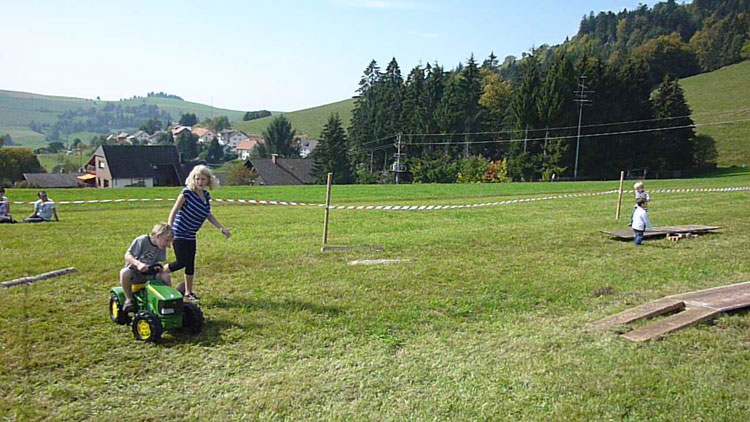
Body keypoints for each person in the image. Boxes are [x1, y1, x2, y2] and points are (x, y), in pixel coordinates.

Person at [167, 165, 231, 301]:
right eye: (197, 179)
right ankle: (160, 271)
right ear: (193, 179)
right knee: (181, 262)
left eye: (203, 179)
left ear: (208, 180)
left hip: (191, 235)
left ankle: (188, 293)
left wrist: (221, 228)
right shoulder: (186, 193)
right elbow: (174, 210)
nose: (200, 182)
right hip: (179, 233)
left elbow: (208, 214)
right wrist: (169, 229)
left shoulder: (206, 195)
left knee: (190, 264)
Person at [120, 222, 174, 312]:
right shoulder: (142, 240)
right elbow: (127, 255)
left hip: (149, 273)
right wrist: (138, 264)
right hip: (135, 273)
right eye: (167, 240)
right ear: (158, 236)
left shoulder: (161, 246)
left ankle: (169, 300)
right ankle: (129, 300)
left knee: (165, 276)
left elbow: (158, 261)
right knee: (124, 273)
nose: (169, 245)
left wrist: (159, 267)